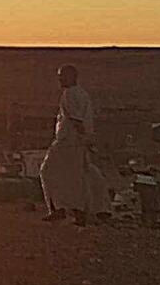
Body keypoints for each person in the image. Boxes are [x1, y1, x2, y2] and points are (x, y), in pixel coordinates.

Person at [39, 63, 108, 225]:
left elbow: (77, 120)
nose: (60, 79)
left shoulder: (70, 94)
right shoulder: (83, 94)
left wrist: (84, 138)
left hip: (69, 141)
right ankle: (82, 212)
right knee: (78, 177)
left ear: (72, 76)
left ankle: (58, 209)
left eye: (62, 76)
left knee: (48, 171)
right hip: (79, 141)